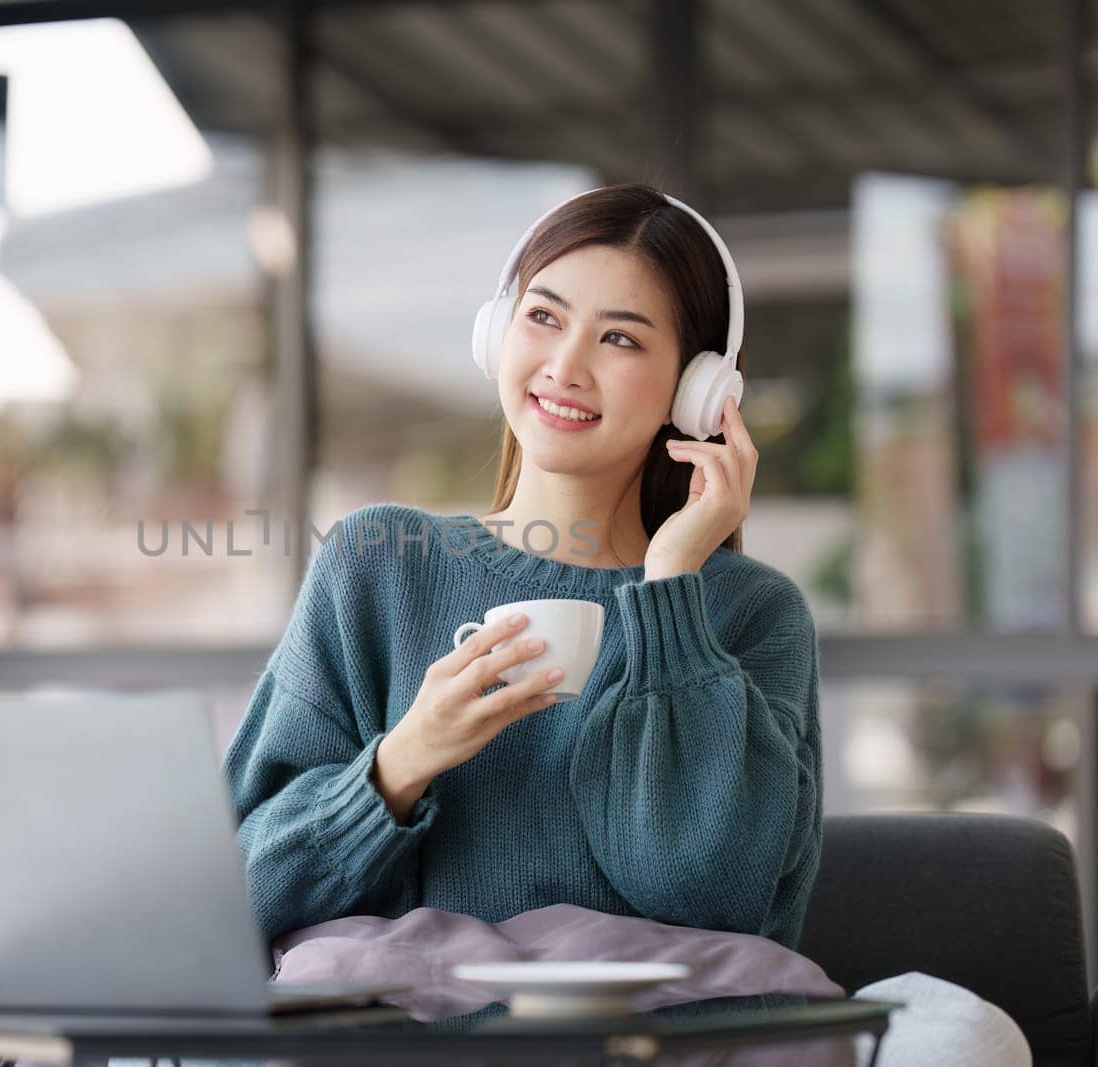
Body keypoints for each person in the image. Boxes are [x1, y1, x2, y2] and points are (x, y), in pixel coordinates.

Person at [220, 183, 822, 952]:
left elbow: (707, 892)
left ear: (699, 391)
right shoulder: (377, 567)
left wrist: (672, 587)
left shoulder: (751, 614)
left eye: (621, 339)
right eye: (543, 317)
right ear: (497, 334)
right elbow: (237, 890)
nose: (565, 366)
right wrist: (403, 761)